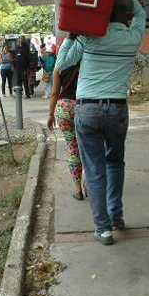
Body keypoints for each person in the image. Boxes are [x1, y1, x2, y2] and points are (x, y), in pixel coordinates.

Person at [54, 0, 144, 246]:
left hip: (87, 108)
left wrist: (72, 35)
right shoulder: (133, 36)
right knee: (115, 162)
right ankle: (117, 216)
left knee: (93, 168)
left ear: (106, 13)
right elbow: (140, 13)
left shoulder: (90, 36)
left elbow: (61, 66)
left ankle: (103, 228)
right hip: (116, 108)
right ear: (126, 17)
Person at [47, 64, 84, 200]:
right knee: (90, 147)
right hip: (84, 107)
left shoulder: (60, 66)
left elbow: (55, 93)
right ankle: (91, 184)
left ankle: (78, 189)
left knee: (73, 148)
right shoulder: (87, 61)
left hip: (65, 108)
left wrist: (50, 114)